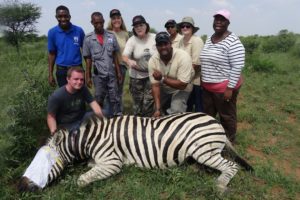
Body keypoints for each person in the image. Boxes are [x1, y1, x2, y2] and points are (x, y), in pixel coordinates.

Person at [200, 9, 245, 143]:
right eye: (216, 19)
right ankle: (211, 139)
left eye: (222, 20)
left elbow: (237, 66)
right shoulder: (210, 38)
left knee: (226, 116)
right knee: (209, 115)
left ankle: (229, 143)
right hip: (208, 87)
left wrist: (229, 88)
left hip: (223, 88)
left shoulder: (233, 41)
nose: (218, 22)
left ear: (228, 22)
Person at [83, 12, 122, 117]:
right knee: (99, 97)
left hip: (111, 73)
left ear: (104, 21)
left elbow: (114, 56)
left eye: (101, 22)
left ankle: (116, 117)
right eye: (96, 23)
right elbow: (88, 59)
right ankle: (100, 119)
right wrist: (88, 76)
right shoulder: (88, 38)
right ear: (92, 23)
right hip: (98, 75)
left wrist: (118, 73)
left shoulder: (111, 36)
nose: (99, 25)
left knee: (114, 97)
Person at [148, 32, 194, 118]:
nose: (163, 47)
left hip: (182, 88)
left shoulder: (183, 56)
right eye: (160, 45)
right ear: (156, 46)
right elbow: (155, 86)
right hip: (165, 87)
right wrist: (157, 109)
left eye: (165, 44)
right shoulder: (153, 60)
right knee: (154, 109)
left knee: (176, 111)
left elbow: (182, 85)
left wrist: (162, 78)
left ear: (171, 44)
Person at [47, 67, 103, 135]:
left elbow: (94, 104)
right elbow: (50, 117)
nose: (79, 82)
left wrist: (103, 120)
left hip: (82, 119)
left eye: (81, 79)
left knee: (106, 113)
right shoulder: (57, 96)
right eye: (76, 79)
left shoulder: (83, 89)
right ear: (68, 79)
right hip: (66, 125)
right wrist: (55, 134)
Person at [122, 15, 156, 117]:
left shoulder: (154, 38)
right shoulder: (132, 40)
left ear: (146, 26)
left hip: (151, 76)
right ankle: (137, 124)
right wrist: (129, 61)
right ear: (134, 29)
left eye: (141, 25)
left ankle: (149, 124)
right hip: (136, 77)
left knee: (148, 103)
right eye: (136, 26)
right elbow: (124, 56)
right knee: (137, 105)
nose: (139, 28)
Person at [48, 5, 85, 87]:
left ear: (69, 16)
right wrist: (50, 74)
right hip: (62, 71)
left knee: (79, 96)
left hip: (77, 68)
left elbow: (85, 51)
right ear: (56, 17)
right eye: (60, 16)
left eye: (65, 16)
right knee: (64, 97)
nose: (63, 19)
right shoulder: (52, 32)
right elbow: (52, 54)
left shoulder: (79, 31)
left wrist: (88, 73)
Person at [105, 9, 129, 115]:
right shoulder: (107, 33)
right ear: (111, 20)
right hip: (110, 66)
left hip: (122, 66)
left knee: (119, 92)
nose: (116, 20)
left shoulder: (125, 34)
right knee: (109, 92)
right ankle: (108, 114)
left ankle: (118, 115)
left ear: (121, 19)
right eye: (114, 18)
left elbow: (128, 51)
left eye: (118, 18)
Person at [178, 17, 204, 112]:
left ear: (192, 28)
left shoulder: (196, 41)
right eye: (182, 26)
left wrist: (182, 77)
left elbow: (196, 64)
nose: (185, 28)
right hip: (184, 79)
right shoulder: (181, 41)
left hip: (195, 81)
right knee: (186, 106)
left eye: (187, 26)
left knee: (198, 107)